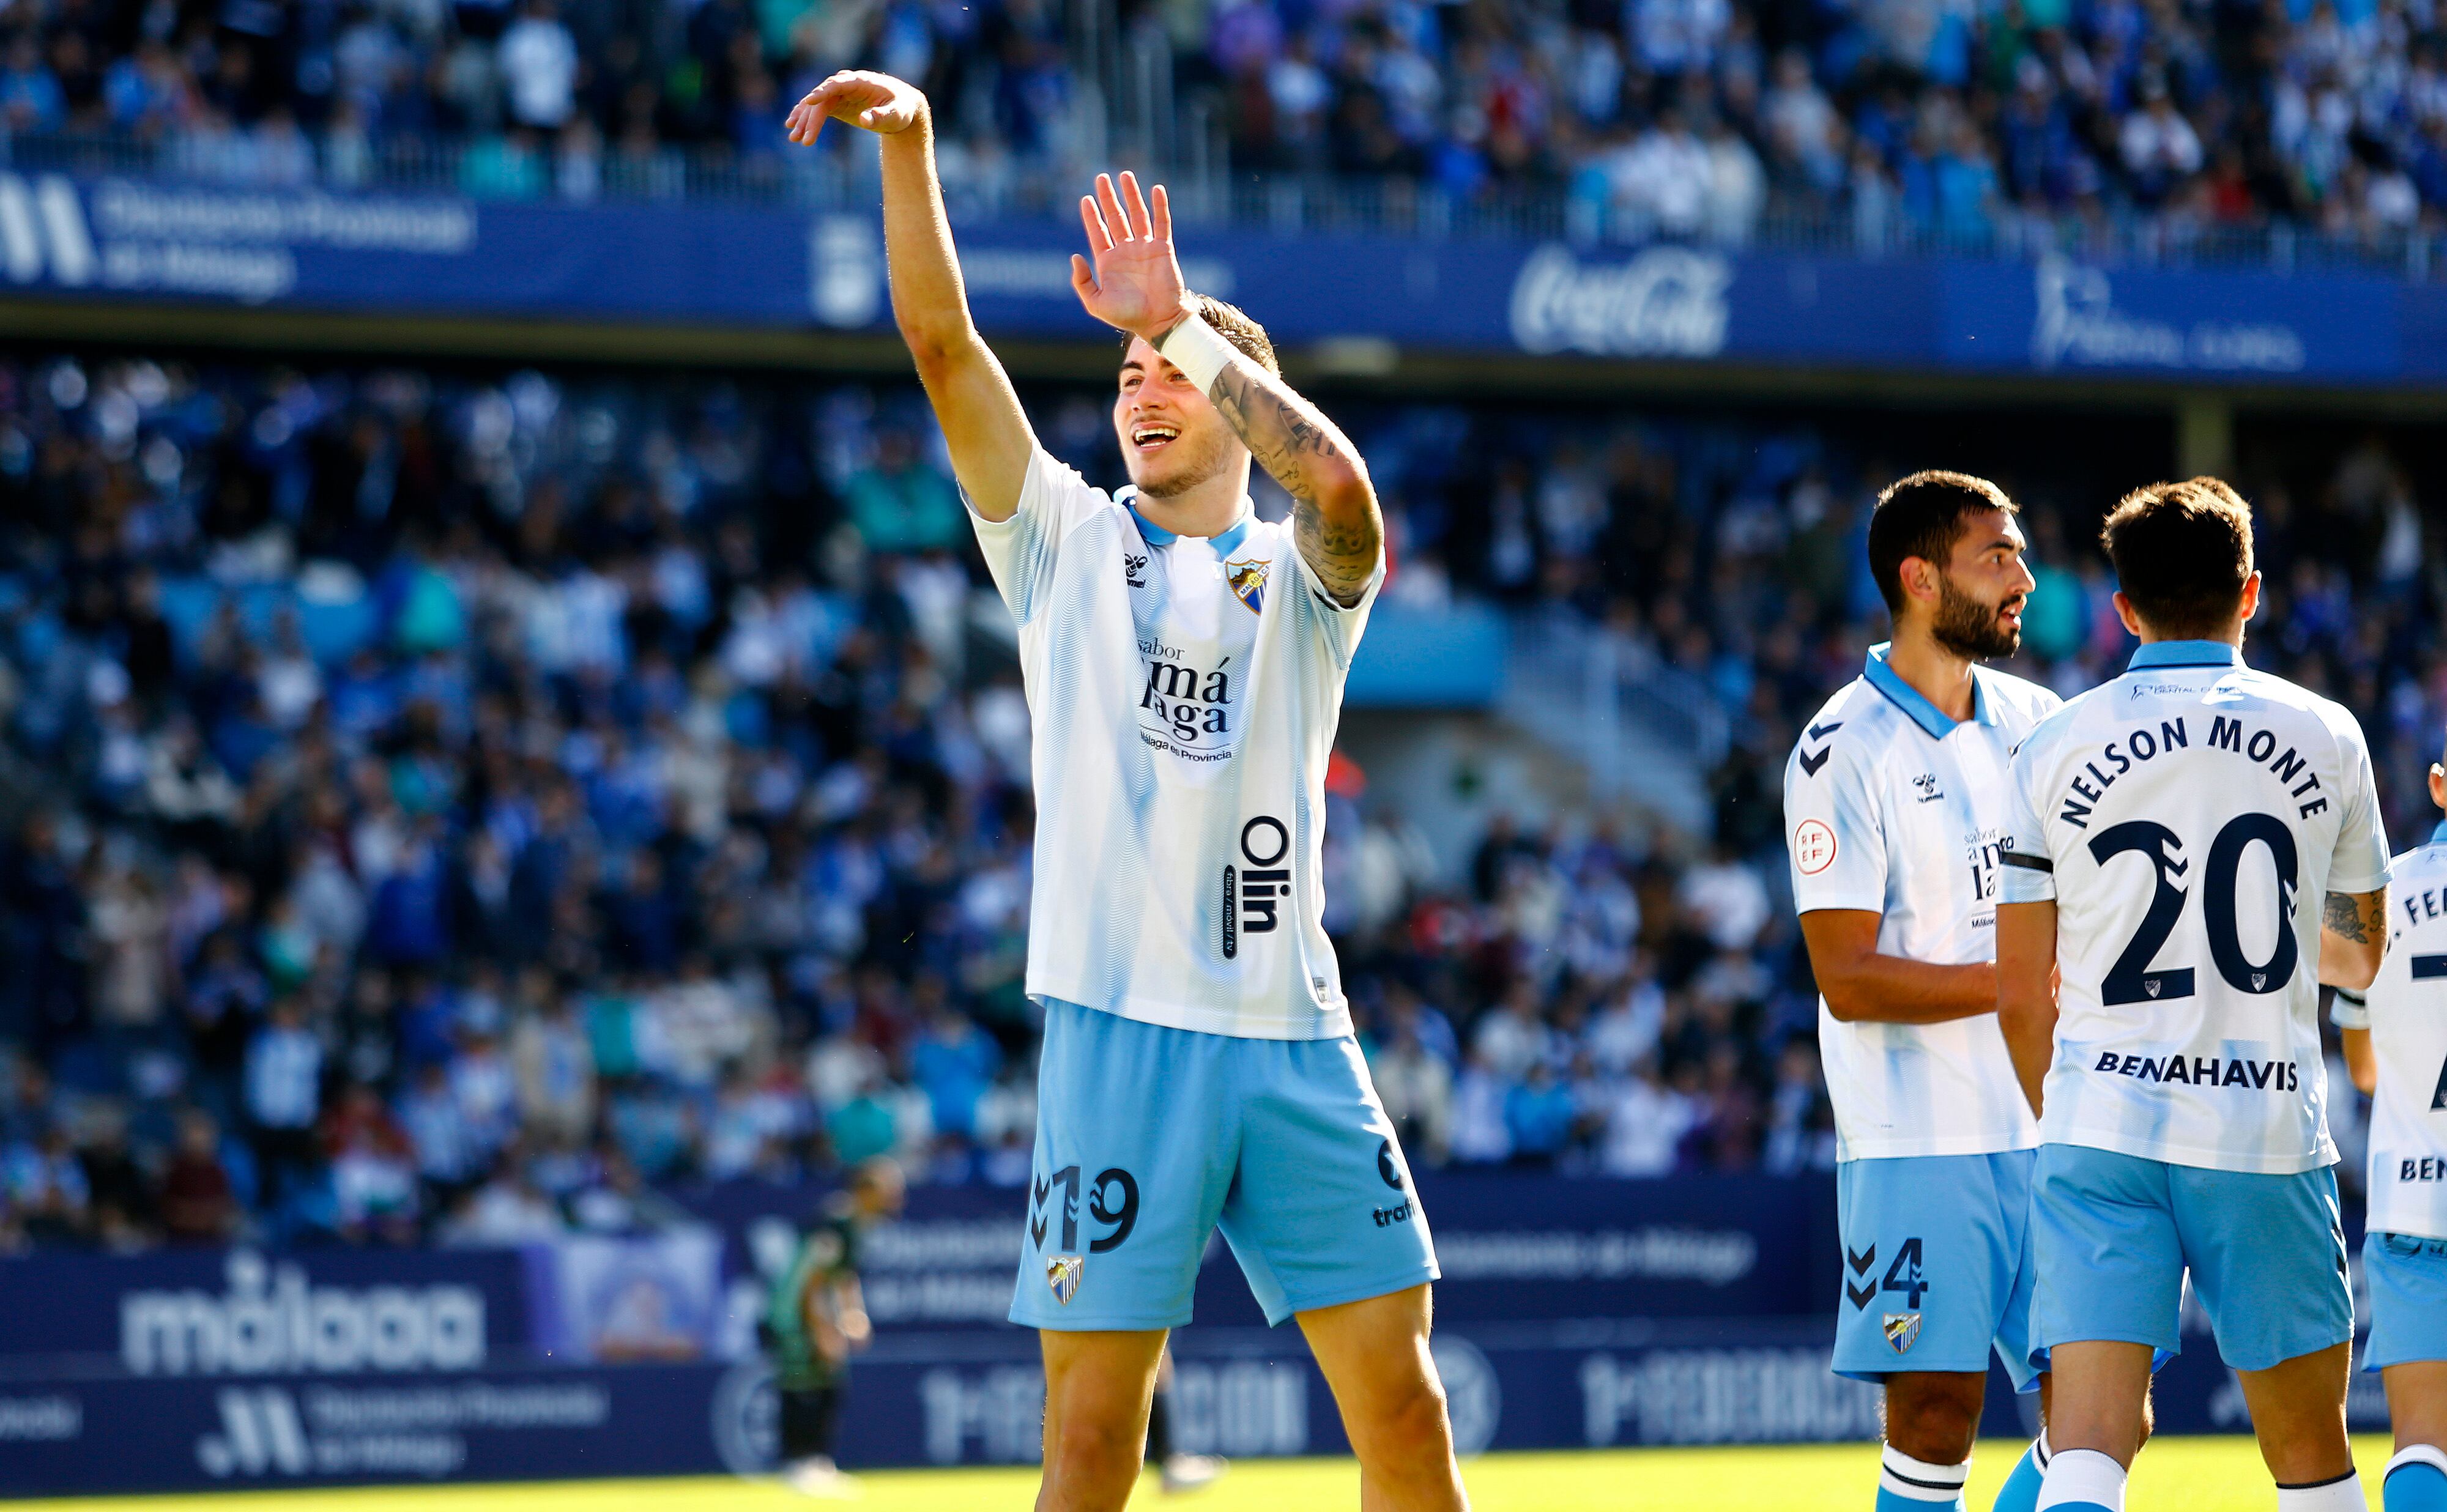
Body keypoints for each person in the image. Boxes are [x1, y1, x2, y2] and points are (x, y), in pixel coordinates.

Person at [784, 70, 1463, 1512]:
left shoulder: (1302, 580)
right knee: (1091, 1446)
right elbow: (940, 342)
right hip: (1116, 1039)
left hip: (1291, 1034)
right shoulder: (1060, 544)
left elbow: (1342, 496)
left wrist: (1175, 321)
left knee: (1403, 1414)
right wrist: (912, 148)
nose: (1141, 386)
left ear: (1241, 403)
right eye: (1127, 372)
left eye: (1171, 369)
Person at [1996, 477, 2391, 1512]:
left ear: (2123, 607)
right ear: (2252, 592)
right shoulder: (2329, 733)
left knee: (2084, 1450)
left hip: (2101, 1125)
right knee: (2312, 1459)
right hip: (2261, 1126)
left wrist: (2071, 1106)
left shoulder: (2049, 746)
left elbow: (2018, 988)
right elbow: (2359, 959)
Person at [1783, 472, 2062, 1512]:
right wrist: (2019, 983)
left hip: (2050, 1123)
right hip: (1918, 1139)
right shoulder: (1840, 748)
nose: (2024, 577)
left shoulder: (2044, 720)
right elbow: (1846, 978)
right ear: (1918, 576)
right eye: (1997, 556)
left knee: (2104, 1413)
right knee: (1938, 1414)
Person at [2334, 746, 2447, 1511]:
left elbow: (2362, 1070)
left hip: (2412, 1201)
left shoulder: (2369, 894)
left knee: (2420, 1443)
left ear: (2439, 784)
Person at [765, 1157, 907, 1498]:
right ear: (866, 1190)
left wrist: (853, 1314)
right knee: (803, 1380)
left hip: (813, 1312)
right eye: (888, 1191)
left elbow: (844, 1277)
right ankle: (798, 1463)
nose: (895, 1199)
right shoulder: (836, 1222)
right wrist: (823, 1330)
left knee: (829, 1380)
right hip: (796, 1314)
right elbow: (811, 1282)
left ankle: (817, 1462)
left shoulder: (854, 1224)